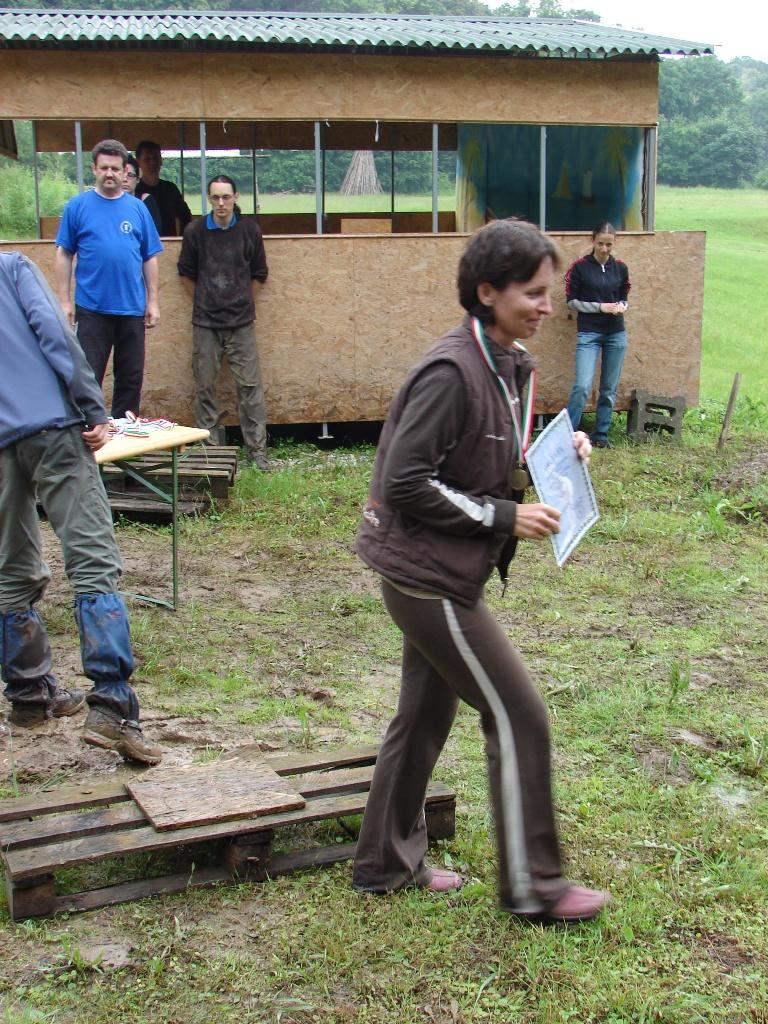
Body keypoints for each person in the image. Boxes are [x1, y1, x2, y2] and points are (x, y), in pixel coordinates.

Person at [352, 219, 609, 924]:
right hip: (425, 578)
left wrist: (558, 451)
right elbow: (406, 481)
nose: (547, 306)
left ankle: (383, 864)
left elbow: (485, 449)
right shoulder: (451, 371)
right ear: (488, 292)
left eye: (549, 291)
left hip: (441, 570)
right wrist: (503, 517)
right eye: (533, 293)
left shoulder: (505, 360)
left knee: (423, 716)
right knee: (519, 714)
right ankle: (535, 887)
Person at [0, 250, 162, 765]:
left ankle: (29, 694)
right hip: (52, 428)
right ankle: (112, 705)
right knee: (93, 561)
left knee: (11, 566)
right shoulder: (11, 268)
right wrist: (94, 408)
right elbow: (55, 333)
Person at [54, 138, 163, 419]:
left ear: (126, 171)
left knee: (130, 379)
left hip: (131, 309)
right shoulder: (77, 207)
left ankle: (124, 436)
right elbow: (64, 254)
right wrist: (64, 301)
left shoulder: (138, 209)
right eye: (104, 168)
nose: (110, 174)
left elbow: (149, 257)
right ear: (94, 169)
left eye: (115, 168)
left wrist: (153, 301)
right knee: (88, 377)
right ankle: (89, 432)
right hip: (92, 309)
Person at [177, 175, 270, 470]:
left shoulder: (249, 230)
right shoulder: (195, 232)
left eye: (226, 197)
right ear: (208, 199)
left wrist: (243, 300)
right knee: (205, 386)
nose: (221, 203)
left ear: (235, 198)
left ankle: (257, 452)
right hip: (206, 323)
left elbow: (260, 273)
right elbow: (185, 273)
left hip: (241, 322)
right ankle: (210, 452)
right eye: (215, 197)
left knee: (250, 387)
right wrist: (204, 301)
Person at [564, 222, 630, 448]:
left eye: (609, 244)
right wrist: (600, 307)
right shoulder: (579, 267)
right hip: (589, 334)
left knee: (609, 389)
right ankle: (568, 433)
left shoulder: (620, 268)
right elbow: (571, 302)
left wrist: (622, 306)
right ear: (592, 241)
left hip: (616, 334)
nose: (604, 249)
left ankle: (601, 434)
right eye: (600, 243)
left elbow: (624, 297)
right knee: (582, 386)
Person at [135, 140, 192, 237]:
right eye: (147, 159)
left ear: (161, 161)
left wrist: (181, 240)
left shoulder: (171, 189)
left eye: (155, 158)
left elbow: (185, 217)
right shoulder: (135, 190)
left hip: (169, 243)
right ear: (138, 162)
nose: (152, 162)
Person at [123, 154, 162, 234]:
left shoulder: (145, 200)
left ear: (138, 179)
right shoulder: (109, 203)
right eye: (121, 174)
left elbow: (155, 231)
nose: (125, 179)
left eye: (130, 175)